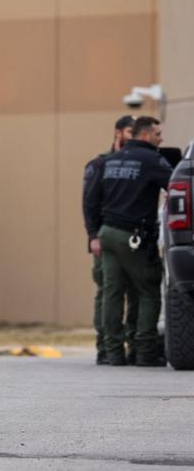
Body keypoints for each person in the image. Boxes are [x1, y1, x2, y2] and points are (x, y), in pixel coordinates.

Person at [90, 116, 170, 367]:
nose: (161, 138)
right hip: (133, 236)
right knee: (147, 290)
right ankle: (144, 350)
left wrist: (93, 234)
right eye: (157, 134)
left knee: (112, 293)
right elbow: (176, 186)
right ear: (145, 135)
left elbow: (92, 199)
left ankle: (112, 353)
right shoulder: (152, 160)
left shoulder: (110, 161)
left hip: (107, 234)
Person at [82, 116, 139, 365]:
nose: (135, 135)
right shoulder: (99, 164)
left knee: (136, 291)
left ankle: (133, 345)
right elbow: (89, 203)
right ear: (118, 133)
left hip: (135, 237)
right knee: (107, 291)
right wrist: (93, 236)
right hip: (105, 236)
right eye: (130, 130)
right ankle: (105, 346)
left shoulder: (142, 161)